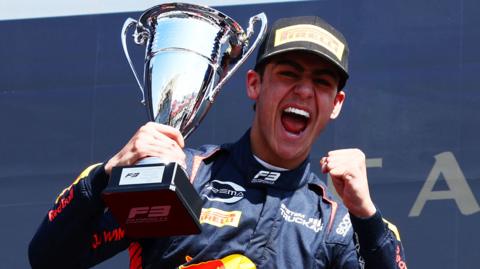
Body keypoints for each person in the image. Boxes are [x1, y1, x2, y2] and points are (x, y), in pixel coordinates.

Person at [29, 16, 407, 269]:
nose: (304, 90)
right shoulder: (184, 177)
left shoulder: (337, 225)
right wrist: (107, 176)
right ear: (254, 84)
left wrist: (366, 217)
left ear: (336, 105)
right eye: (288, 74)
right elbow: (50, 258)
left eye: (322, 83)